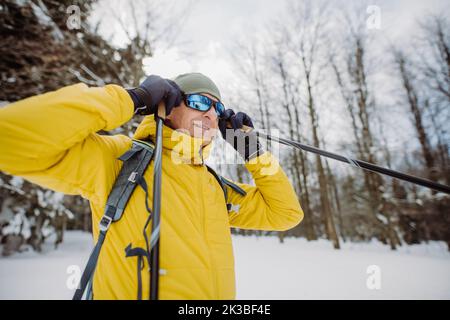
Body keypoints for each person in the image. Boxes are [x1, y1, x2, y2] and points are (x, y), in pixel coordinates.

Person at [0, 72, 303, 299]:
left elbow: (284, 213)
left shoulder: (213, 186)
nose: (211, 114)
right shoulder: (119, 159)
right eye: (199, 102)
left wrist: (253, 152)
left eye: (219, 109)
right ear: (168, 107)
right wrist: (131, 98)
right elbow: (8, 139)